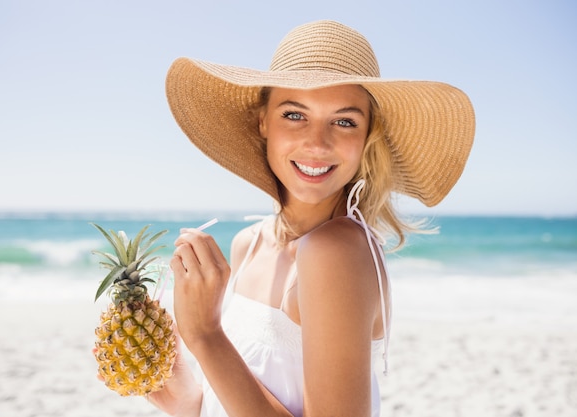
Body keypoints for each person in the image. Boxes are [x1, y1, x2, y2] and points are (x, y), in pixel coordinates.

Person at [149, 20, 475, 417]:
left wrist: (205, 335)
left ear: (367, 136)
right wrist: (191, 404)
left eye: (344, 121)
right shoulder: (248, 243)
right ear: (263, 121)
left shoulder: (336, 250)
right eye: (294, 115)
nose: (317, 142)